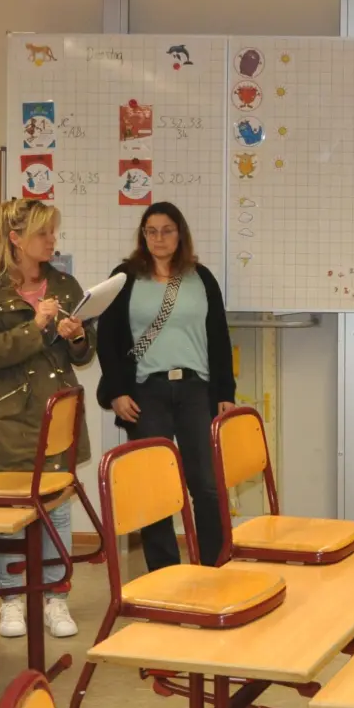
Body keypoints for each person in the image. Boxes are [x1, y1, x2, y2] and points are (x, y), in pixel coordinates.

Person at [0, 198, 94, 641]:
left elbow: (85, 352)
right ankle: (12, 599)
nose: (52, 240)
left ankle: (57, 597)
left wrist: (77, 339)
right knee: (11, 511)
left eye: (53, 232)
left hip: (57, 412)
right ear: (16, 239)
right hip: (7, 416)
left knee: (55, 507)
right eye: (43, 233)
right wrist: (34, 327)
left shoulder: (65, 284)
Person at [96, 202, 235, 571]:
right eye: (151, 231)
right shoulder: (124, 277)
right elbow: (107, 340)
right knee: (155, 486)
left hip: (196, 391)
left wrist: (225, 394)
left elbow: (219, 337)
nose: (159, 238)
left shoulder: (201, 278)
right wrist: (116, 392)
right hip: (146, 393)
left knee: (205, 484)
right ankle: (164, 572)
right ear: (143, 235)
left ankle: (214, 567)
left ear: (181, 234)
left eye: (167, 230)